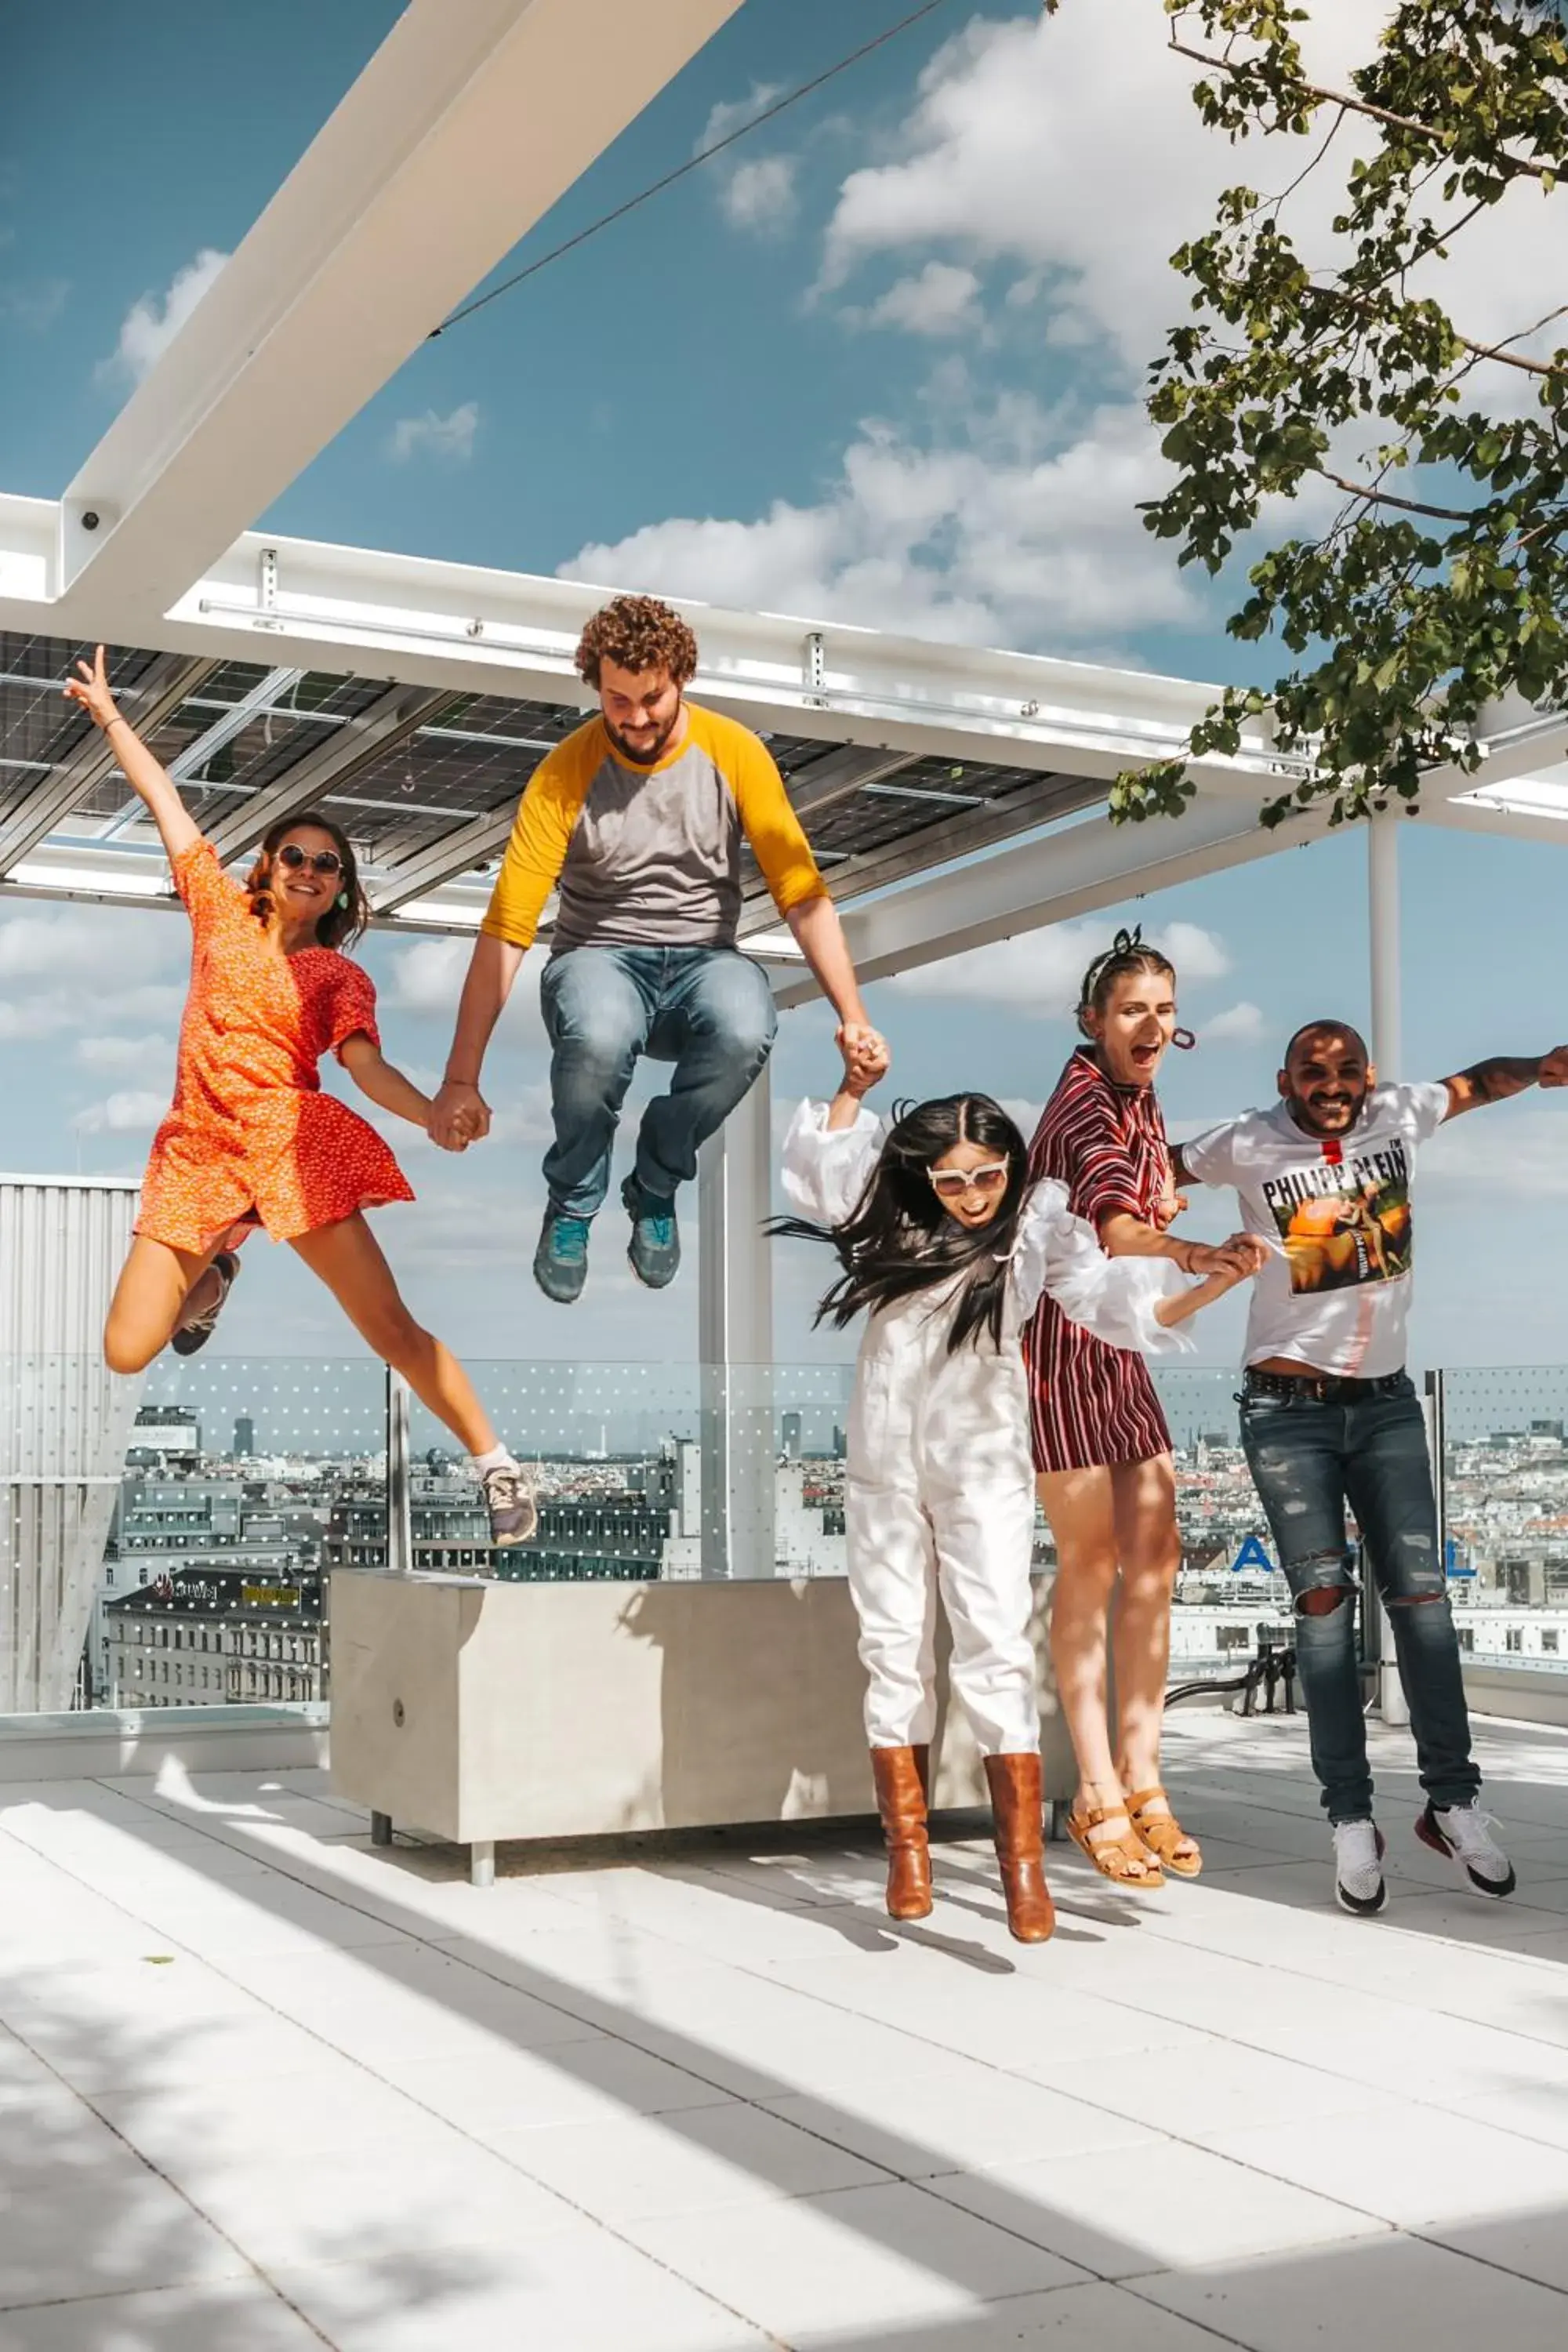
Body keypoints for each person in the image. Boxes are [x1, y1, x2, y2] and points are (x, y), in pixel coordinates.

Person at [778, 1033, 1258, 1943]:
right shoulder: (888, 1216)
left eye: (985, 1176)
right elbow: (816, 1172)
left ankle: (1021, 1871)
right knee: (892, 1647)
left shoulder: (1033, 1227)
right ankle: (907, 1852)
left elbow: (1120, 1308)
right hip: (883, 1465)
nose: (969, 1195)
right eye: (951, 1181)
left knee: (992, 1647)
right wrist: (848, 1087)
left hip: (984, 1466)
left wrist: (1203, 1273)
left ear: (1010, 1165)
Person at [64, 648, 536, 1552]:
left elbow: (363, 1067)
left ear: (341, 887)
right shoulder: (216, 913)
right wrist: (114, 719)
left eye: (328, 863)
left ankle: (498, 1465)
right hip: (198, 1152)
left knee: (388, 1328)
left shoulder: (336, 973)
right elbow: (168, 807)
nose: (310, 868)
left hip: (291, 1149)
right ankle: (221, 1271)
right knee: (127, 1349)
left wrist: (437, 1110)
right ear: (267, 866)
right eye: (295, 855)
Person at [1176, 1016, 1568, 1915]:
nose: (1331, 1082)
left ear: (1366, 1074)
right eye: (1313, 1070)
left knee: (1423, 1603)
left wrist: (1540, 1069)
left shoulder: (1398, 1114)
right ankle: (1349, 1817)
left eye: (1345, 1068)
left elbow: (1475, 1080)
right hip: (1285, 1415)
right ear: (1287, 1076)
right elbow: (1153, 1165)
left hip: (1387, 1405)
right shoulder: (1245, 1140)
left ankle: (1451, 1801)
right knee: (1321, 1609)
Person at [429, 593, 884, 1304]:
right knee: (602, 1034)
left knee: (746, 1022)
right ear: (595, 686)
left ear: (682, 679)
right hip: (598, 958)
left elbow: (800, 891)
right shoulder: (564, 772)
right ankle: (574, 1200)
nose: (636, 718)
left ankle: (655, 1183)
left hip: (705, 959)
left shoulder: (734, 753)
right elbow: (507, 928)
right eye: (618, 700)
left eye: (652, 699)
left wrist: (853, 1014)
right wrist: (461, 1078)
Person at [1024, 930, 1262, 1889]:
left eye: (1164, 1009)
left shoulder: (1136, 1093)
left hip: (1116, 1342)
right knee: (1088, 1561)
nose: (1152, 1025)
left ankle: (1142, 1779)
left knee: (1156, 1561)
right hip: (1062, 1348)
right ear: (1092, 1022)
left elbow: (1138, 1201)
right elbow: (1117, 1219)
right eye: (1132, 1009)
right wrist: (1189, 1253)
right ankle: (1093, 1790)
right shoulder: (1087, 1107)